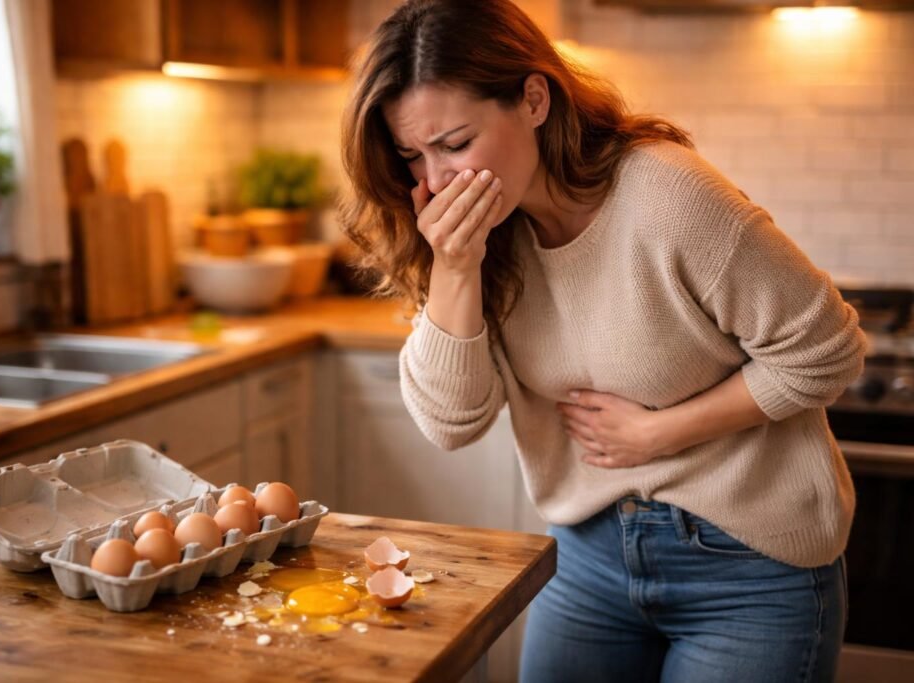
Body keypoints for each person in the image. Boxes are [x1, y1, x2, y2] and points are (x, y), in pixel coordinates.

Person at [339, 1, 866, 681]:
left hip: (749, 569)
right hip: (587, 558)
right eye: (414, 155)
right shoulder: (482, 243)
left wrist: (662, 433)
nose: (436, 181)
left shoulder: (668, 197)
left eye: (456, 142)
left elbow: (829, 351)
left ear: (533, 98)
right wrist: (455, 267)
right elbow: (449, 421)